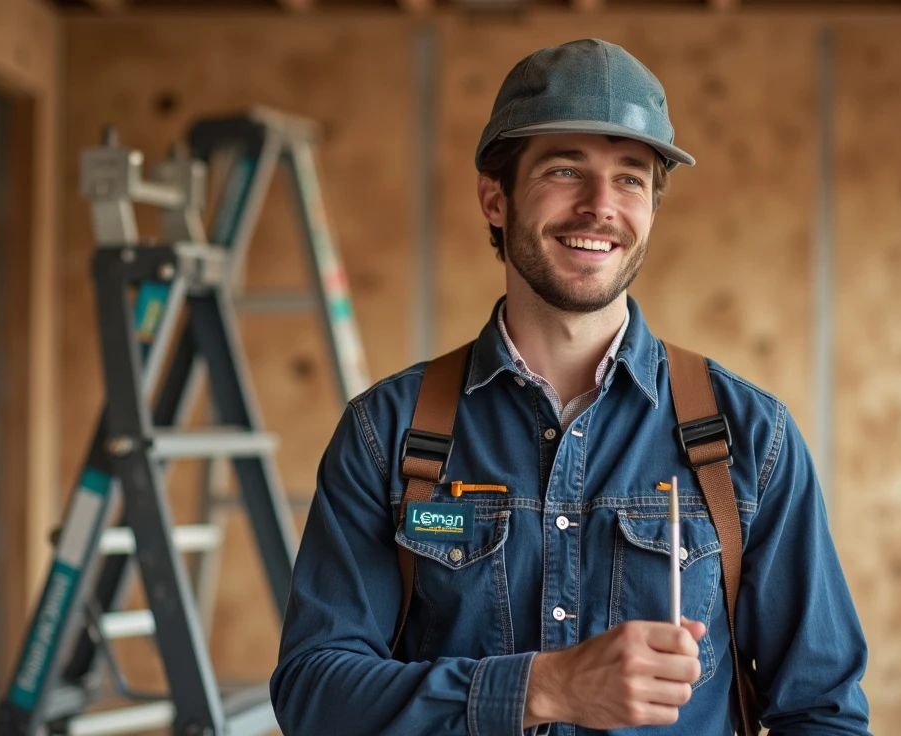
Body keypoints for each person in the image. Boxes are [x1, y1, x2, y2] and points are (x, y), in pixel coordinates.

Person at [269, 38, 870, 735]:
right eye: (565, 169)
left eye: (631, 178)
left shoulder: (750, 440)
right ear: (496, 198)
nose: (600, 206)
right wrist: (541, 687)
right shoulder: (389, 434)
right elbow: (314, 694)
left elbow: (824, 713)